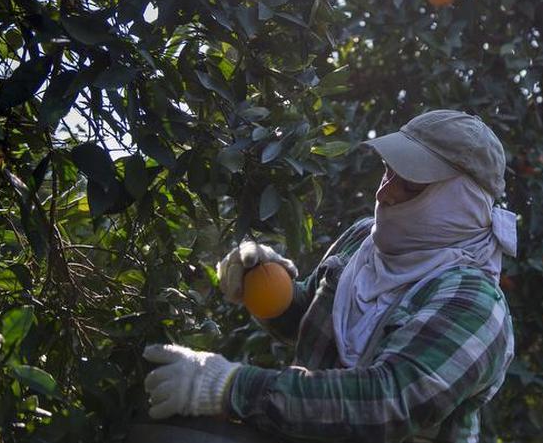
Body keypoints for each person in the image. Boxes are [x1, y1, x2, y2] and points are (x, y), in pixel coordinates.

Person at [141, 110, 518, 442]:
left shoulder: (474, 303)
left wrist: (229, 386)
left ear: (461, 203)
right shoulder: (363, 240)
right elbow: (313, 324)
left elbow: (387, 403)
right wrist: (268, 284)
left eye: (411, 185)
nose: (385, 193)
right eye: (388, 172)